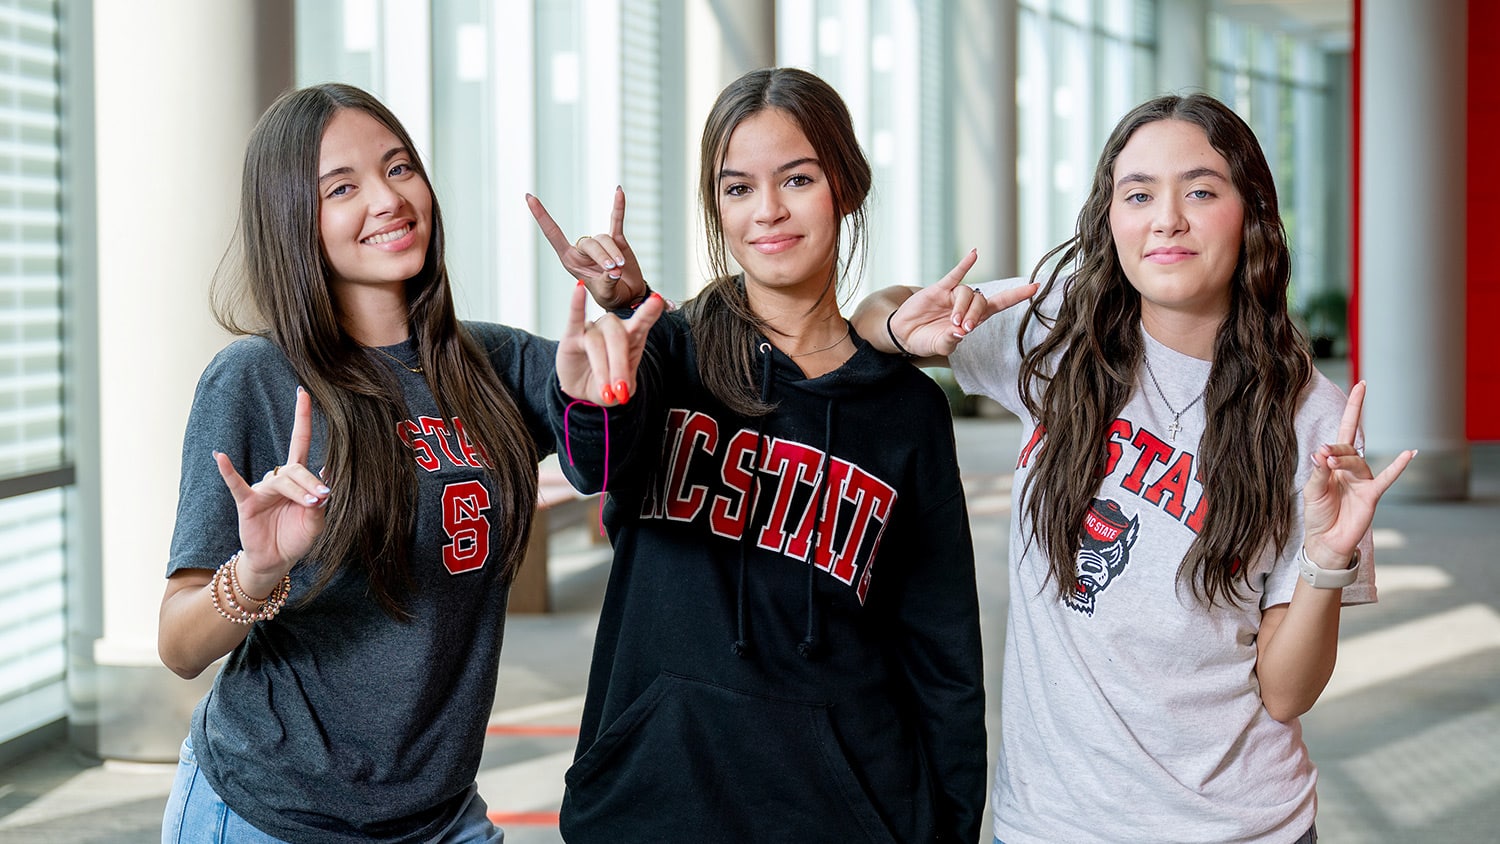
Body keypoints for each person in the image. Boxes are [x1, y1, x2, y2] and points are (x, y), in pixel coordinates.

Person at [854, 92, 1415, 843]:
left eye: (1202, 190)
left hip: (1240, 827)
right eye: (1139, 193)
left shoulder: (1311, 416)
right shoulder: (1055, 334)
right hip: (1052, 824)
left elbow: (1287, 693)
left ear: (1249, 214)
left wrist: (1327, 555)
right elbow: (870, 314)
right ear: (1110, 217)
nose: (1167, 217)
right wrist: (898, 322)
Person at [156, 82, 661, 843]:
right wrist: (257, 574)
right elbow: (178, 645)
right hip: (269, 815)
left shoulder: (492, 361)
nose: (388, 200)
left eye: (399, 169)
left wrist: (627, 312)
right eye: (342, 187)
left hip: (437, 815)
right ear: (295, 220)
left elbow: (615, 460)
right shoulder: (256, 377)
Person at [525, 67, 987, 842]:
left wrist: (950, 824)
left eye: (796, 179)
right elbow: (593, 463)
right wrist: (592, 394)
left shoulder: (907, 412)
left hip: (845, 813)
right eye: (737, 189)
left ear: (845, 185)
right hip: (653, 802)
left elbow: (942, 649)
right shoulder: (667, 354)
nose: (767, 210)